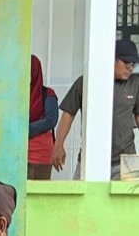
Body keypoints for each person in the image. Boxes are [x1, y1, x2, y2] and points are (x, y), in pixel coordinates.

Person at [53, 38, 139, 179]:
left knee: (131, 200)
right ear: (112, 58)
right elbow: (68, 114)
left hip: (127, 160)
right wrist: (58, 145)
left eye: (133, 64)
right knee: (80, 200)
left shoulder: (135, 83)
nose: (131, 68)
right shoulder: (86, 82)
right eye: (127, 63)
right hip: (90, 158)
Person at [28, 55, 58, 180]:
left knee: (38, 195)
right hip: (17, 153)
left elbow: (50, 120)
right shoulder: (14, 94)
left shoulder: (47, 94)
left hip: (40, 155)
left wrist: (26, 129)